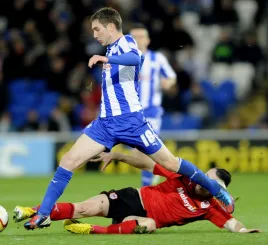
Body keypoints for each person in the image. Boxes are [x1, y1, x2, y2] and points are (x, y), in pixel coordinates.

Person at [24, 7, 234, 230]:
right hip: (105, 124)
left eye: (97, 29)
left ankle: (214, 188)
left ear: (111, 26)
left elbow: (136, 58)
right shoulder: (113, 50)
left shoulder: (125, 43)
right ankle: (44, 214)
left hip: (131, 122)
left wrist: (107, 57)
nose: (94, 35)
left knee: (170, 163)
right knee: (68, 160)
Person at [14, 152, 259, 234]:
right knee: (84, 208)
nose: (201, 179)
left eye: (209, 180)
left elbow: (231, 223)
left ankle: (91, 231)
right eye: (204, 174)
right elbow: (146, 164)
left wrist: (245, 231)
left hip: (141, 220)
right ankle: (32, 211)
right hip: (132, 198)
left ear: (218, 189)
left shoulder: (210, 208)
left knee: (149, 225)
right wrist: (118, 155)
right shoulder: (182, 175)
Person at [129, 23, 176, 187]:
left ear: (148, 40)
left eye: (141, 36)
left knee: (145, 147)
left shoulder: (157, 58)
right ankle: (158, 170)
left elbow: (171, 77)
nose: (138, 40)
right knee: (136, 151)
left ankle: (147, 186)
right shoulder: (122, 59)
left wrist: (167, 83)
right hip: (128, 112)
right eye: (134, 37)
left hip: (151, 111)